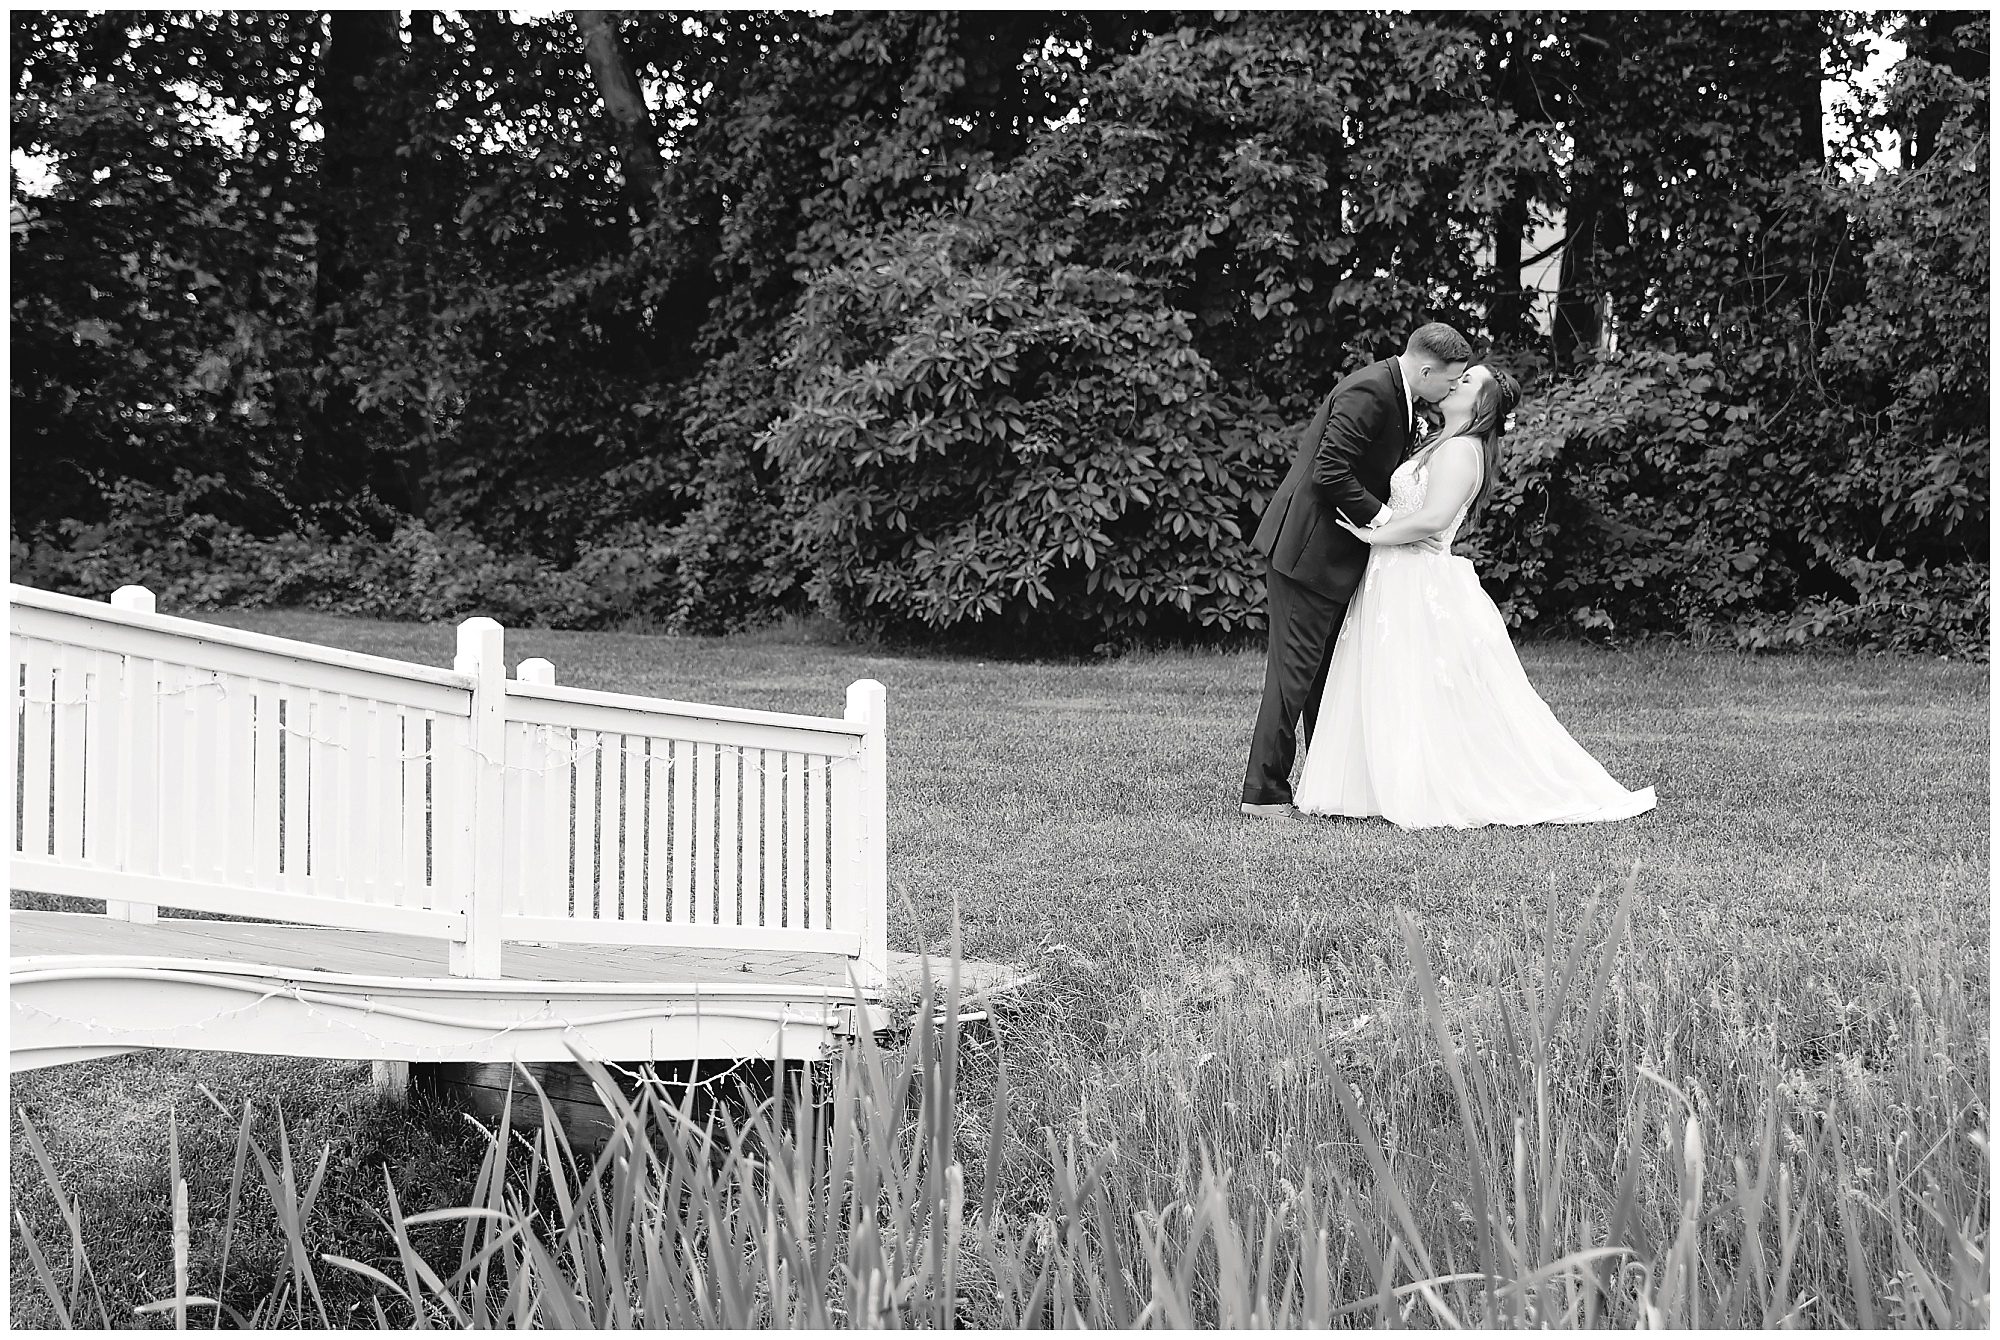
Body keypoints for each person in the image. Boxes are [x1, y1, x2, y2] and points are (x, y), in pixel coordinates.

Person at [1293, 363, 1656, 829]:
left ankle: (1431, 784)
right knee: (1393, 680)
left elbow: (1434, 519)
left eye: (1467, 381)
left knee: (1423, 685)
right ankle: (1381, 783)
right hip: (1395, 575)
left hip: (1415, 576)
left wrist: (1372, 535)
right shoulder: (1440, 443)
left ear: (1481, 404)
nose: (1455, 381)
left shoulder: (1463, 451)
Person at [1240, 322, 1472, 817]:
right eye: (1451, 382)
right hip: (1308, 552)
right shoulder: (1370, 389)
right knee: (1293, 675)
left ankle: (1330, 786)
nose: (1452, 390)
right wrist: (1391, 520)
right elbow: (1330, 471)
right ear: (1427, 369)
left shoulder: (1403, 396)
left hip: (1336, 556)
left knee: (1325, 676)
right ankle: (1263, 794)